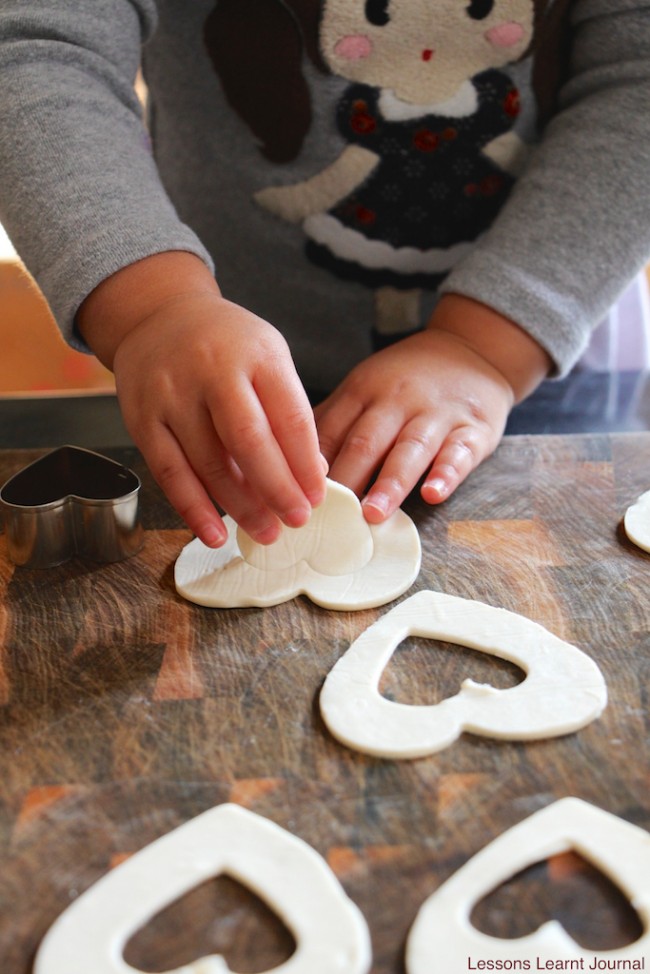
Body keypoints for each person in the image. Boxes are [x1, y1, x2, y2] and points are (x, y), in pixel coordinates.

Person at [0, 0, 648, 549]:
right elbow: (37, 44)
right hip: (219, 375)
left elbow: (637, 73)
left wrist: (487, 347)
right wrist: (150, 307)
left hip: (543, 360)